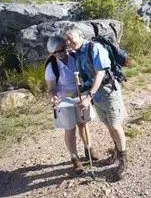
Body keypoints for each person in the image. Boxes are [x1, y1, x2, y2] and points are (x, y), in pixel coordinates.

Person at [64, 29, 128, 180]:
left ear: (80, 37)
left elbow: (100, 74)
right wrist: (80, 92)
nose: (68, 42)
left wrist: (89, 96)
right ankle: (117, 152)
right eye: (66, 40)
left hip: (109, 92)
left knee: (116, 125)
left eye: (71, 38)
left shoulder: (95, 48)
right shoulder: (78, 54)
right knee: (108, 125)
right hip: (97, 97)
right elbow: (87, 78)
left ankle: (124, 160)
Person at [45, 36, 99, 174]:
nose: (59, 54)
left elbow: (87, 73)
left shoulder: (76, 58)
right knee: (70, 128)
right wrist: (53, 96)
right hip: (64, 101)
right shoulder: (52, 67)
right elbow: (51, 89)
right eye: (55, 52)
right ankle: (74, 158)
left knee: (83, 123)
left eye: (61, 50)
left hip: (79, 95)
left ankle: (89, 148)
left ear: (65, 46)